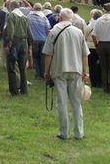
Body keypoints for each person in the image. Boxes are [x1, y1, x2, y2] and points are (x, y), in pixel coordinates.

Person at [43, 8, 89, 140]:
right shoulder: (78, 32)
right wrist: (85, 71)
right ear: (72, 18)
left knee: (62, 103)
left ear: (60, 17)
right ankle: (79, 132)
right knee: (76, 102)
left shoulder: (53, 32)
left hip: (59, 69)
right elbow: (84, 54)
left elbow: (48, 54)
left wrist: (47, 71)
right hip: (76, 70)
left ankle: (64, 132)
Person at [5, 0, 33, 96]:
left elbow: (11, 31)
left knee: (12, 66)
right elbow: (29, 32)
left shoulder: (11, 16)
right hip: (24, 42)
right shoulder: (24, 17)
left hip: (15, 42)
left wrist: (9, 43)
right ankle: (24, 89)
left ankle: (14, 91)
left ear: (11, 7)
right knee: (22, 67)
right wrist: (29, 45)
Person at [27, 3, 51, 78]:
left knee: (36, 57)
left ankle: (37, 73)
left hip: (34, 40)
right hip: (43, 40)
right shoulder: (44, 18)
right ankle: (43, 73)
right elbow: (48, 30)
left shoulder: (29, 17)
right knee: (42, 57)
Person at [84, 9, 103, 88]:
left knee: (91, 65)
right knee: (100, 65)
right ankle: (100, 81)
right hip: (98, 45)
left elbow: (85, 35)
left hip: (89, 46)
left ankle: (93, 82)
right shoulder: (100, 25)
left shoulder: (89, 25)